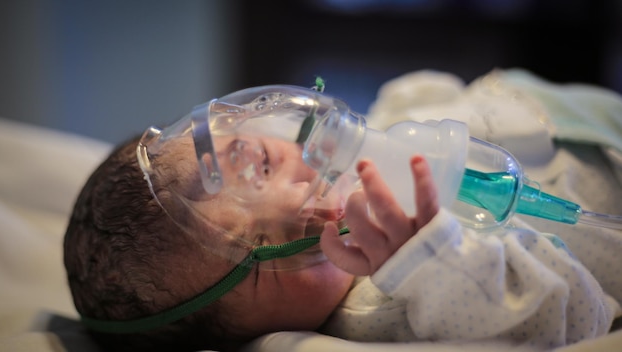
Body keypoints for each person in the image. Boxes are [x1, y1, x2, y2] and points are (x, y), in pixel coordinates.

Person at [64, 118, 620, 352]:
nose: (302, 199)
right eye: (260, 252)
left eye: (259, 165)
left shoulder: (372, 146)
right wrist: (432, 260)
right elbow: (570, 324)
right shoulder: (377, 311)